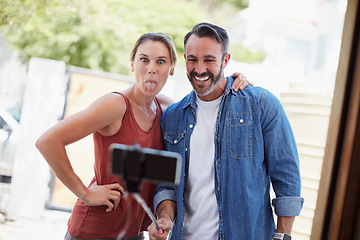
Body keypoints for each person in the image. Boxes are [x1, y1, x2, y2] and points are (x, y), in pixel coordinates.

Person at [35, 32, 251, 240]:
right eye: (144, 60)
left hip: (136, 232)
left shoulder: (168, 109)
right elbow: (48, 141)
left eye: (161, 62)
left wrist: (233, 81)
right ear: (132, 64)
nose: (151, 69)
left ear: (172, 69)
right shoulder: (115, 105)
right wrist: (85, 193)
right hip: (95, 230)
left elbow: (207, 105)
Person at [148, 22, 304, 240]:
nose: (199, 69)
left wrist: (282, 236)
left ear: (226, 60)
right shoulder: (173, 117)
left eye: (209, 60)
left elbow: (287, 179)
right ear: (185, 60)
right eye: (192, 59)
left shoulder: (261, 105)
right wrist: (165, 217)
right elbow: (166, 183)